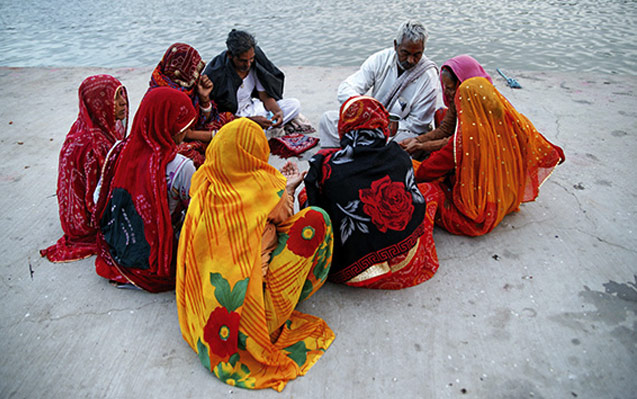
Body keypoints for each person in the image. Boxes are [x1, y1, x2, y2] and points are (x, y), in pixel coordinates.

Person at [176, 118, 334, 391]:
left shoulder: (203, 185)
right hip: (257, 316)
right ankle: (282, 306)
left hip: (213, 319)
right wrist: (289, 187)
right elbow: (286, 215)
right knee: (315, 221)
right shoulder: (264, 187)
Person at [302, 96, 439, 289]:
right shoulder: (399, 155)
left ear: (343, 127)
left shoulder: (327, 167)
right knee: (429, 191)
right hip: (405, 261)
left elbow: (318, 208)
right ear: (381, 125)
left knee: (307, 196)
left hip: (351, 270)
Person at [414, 76, 566, 236]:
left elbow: (427, 171)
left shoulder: (467, 138)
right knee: (442, 116)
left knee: (425, 189)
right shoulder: (514, 123)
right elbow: (554, 153)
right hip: (508, 199)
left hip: (478, 216)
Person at [93, 88, 197, 292]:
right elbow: (196, 212)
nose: (185, 132)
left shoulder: (118, 150)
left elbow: (100, 197)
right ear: (170, 125)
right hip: (156, 259)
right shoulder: (180, 166)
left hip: (118, 252)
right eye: (182, 125)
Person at [40, 75, 128, 263]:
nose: (123, 103)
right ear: (98, 103)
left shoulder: (88, 127)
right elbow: (96, 197)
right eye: (115, 98)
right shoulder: (93, 146)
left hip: (80, 213)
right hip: (86, 223)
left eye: (122, 94)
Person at [318, 20, 439, 148]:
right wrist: (365, 110)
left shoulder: (429, 77)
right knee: (328, 120)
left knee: (403, 144)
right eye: (405, 53)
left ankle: (358, 152)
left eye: (417, 55)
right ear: (395, 45)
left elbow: (418, 124)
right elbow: (346, 88)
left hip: (397, 132)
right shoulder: (380, 59)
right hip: (369, 121)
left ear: (423, 50)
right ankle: (346, 157)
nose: (410, 60)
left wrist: (382, 126)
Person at [149, 43, 234, 167]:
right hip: (171, 143)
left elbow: (202, 121)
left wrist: (204, 98)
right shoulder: (162, 94)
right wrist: (215, 136)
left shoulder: (188, 87)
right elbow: (179, 135)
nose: (197, 75)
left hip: (192, 134)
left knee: (228, 118)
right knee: (184, 153)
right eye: (193, 70)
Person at [203, 29, 300, 131]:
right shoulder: (216, 73)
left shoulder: (255, 63)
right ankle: (264, 131)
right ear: (230, 55)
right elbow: (216, 117)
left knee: (294, 104)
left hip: (254, 108)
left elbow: (265, 97)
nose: (248, 64)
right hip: (235, 119)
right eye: (243, 61)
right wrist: (251, 121)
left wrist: (277, 112)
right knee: (237, 131)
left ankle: (265, 129)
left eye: (251, 59)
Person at [400, 54, 492, 156]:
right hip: (458, 140)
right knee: (440, 114)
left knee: (425, 169)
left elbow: (457, 142)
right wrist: (416, 140)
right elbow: (445, 129)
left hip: (477, 147)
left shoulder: (477, 104)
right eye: (445, 87)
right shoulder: (457, 97)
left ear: (461, 83)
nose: (446, 92)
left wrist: (421, 146)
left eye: (450, 88)